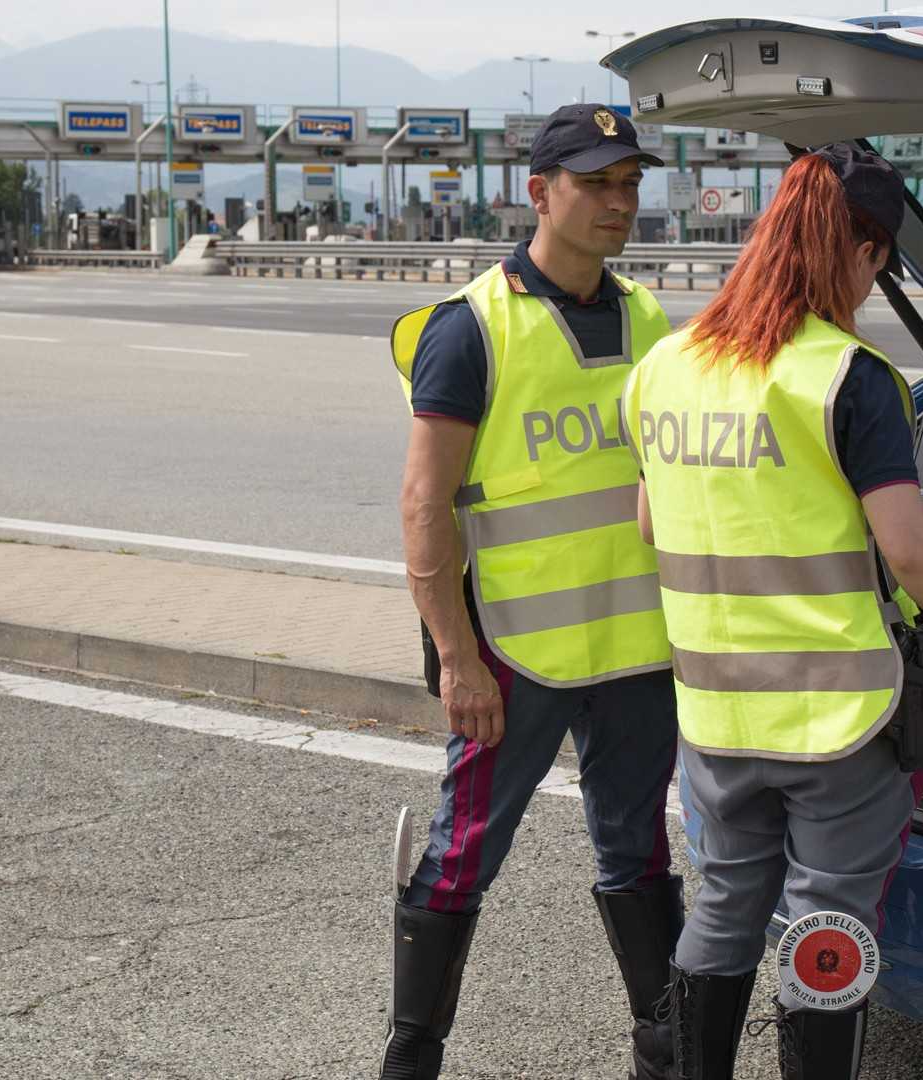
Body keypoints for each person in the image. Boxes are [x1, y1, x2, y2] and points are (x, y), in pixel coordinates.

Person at [624, 144, 923, 1080]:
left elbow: (649, 522)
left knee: (723, 906)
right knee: (826, 922)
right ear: (866, 251)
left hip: (716, 713)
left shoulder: (667, 366)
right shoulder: (848, 375)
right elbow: (909, 548)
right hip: (837, 721)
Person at [383, 103, 679, 1080]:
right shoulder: (472, 329)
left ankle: (663, 1053)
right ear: (538, 191)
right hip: (514, 656)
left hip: (637, 653)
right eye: (596, 182)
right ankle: (410, 1058)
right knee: (463, 857)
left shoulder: (647, 320)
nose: (617, 201)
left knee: (639, 859)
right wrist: (457, 656)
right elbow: (426, 507)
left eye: (630, 182)